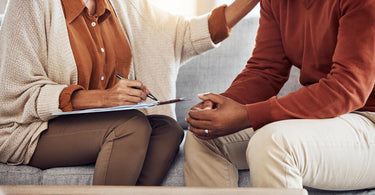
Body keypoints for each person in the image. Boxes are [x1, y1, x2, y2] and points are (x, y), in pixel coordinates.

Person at [0, 0, 259, 186]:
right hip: (30, 129)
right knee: (131, 126)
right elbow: (15, 91)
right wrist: (104, 97)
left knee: (168, 129)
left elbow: (190, 33)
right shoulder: (29, 5)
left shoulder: (125, 6)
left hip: (98, 126)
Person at [184, 0, 375, 190]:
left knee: (272, 143)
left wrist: (247, 114)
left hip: (369, 120)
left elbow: (346, 89)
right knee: (203, 135)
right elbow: (265, 71)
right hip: (326, 118)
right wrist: (220, 107)